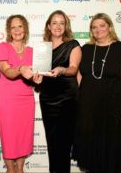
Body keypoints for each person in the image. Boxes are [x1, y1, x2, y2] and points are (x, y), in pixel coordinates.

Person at [73, 13, 121, 173]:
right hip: (88, 105)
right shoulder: (85, 49)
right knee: (90, 142)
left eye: (102, 25)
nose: (98, 29)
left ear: (109, 27)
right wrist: (80, 98)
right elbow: (79, 75)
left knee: (111, 143)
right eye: (94, 27)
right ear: (91, 31)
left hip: (113, 104)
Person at [0, 14, 42, 173]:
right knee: (9, 138)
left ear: (25, 29)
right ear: (8, 30)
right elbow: (7, 72)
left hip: (26, 101)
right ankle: (10, 169)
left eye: (20, 26)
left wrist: (39, 79)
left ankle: (19, 169)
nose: (17, 30)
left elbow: (36, 76)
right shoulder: (2, 47)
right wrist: (20, 68)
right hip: (7, 100)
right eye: (13, 27)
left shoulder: (34, 52)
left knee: (23, 137)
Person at [38, 10, 82, 173]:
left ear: (66, 26)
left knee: (64, 143)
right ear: (49, 26)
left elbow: (73, 68)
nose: (58, 26)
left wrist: (62, 70)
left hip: (67, 98)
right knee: (52, 141)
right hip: (47, 99)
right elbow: (41, 74)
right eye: (54, 23)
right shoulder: (43, 48)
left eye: (61, 23)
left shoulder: (73, 44)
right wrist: (37, 79)